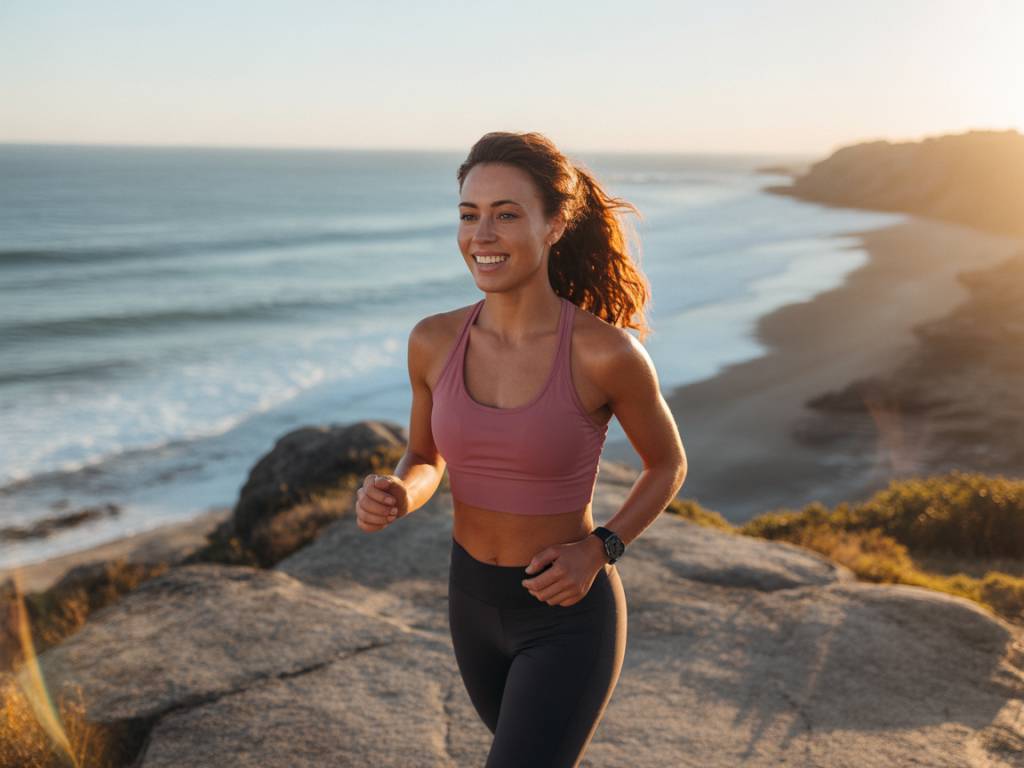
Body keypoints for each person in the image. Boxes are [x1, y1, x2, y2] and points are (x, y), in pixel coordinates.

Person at [355, 131, 687, 767]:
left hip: (566, 614)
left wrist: (600, 549)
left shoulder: (604, 352)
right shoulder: (432, 341)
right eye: (469, 215)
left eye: (506, 215)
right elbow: (425, 457)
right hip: (471, 601)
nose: (482, 235)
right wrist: (399, 493)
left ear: (554, 225)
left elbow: (668, 464)